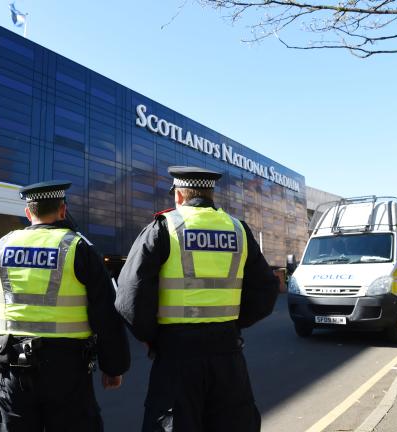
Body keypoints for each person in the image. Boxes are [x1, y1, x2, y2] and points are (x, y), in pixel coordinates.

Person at [115, 166, 279, 432]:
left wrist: (152, 337)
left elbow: (129, 295)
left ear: (179, 196)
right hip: (228, 353)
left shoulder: (162, 228)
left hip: (177, 354)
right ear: (211, 194)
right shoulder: (239, 230)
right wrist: (233, 323)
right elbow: (265, 290)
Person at [0, 180, 130, 432]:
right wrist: (114, 367)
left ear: (28, 213)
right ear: (62, 210)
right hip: (67, 368)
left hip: (12, 364)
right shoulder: (78, 247)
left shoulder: (3, 245)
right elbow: (106, 314)